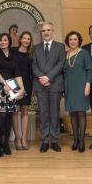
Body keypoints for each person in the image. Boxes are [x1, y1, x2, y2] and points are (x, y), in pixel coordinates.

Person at [0, 33, 25, 156]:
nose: (2, 42)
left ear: (9, 42)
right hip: (0, 87)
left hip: (12, 88)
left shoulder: (14, 55)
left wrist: (22, 89)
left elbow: (17, 73)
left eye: (5, 40)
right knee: (1, 116)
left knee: (9, 116)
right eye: (0, 40)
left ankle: (6, 145)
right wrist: (4, 84)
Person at [32, 22, 65, 152]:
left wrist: (48, 77)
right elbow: (34, 65)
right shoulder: (36, 48)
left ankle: (55, 140)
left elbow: (60, 64)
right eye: (44, 30)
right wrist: (42, 77)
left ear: (52, 31)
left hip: (55, 84)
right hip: (40, 85)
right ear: (41, 32)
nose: (46, 32)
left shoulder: (60, 47)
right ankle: (45, 141)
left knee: (54, 114)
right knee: (44, 114)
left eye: (48, 30)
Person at [63, 31, 92, 153]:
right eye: (70, 39)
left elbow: (89, 70)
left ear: (79, 40)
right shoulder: (65, 54)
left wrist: (88, 85)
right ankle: (75, 139)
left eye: (75, 39)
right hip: (69, 87)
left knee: (81, 113)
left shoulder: (84, 53)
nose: (73, 41)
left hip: (81, 86)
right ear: (68, 41)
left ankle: (81, 141)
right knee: (72, 113)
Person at [13, 31, 34, 150]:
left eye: (28, 39)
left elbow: (32, 71)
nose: (26, 40)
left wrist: (32, 89)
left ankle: (24, 138)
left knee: (25, 111)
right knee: (15, 111)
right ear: (20, 39)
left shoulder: (31, 54)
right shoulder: (13, 51)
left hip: (27, 83)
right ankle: (17, 137)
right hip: (15, 83)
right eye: (24, 38)